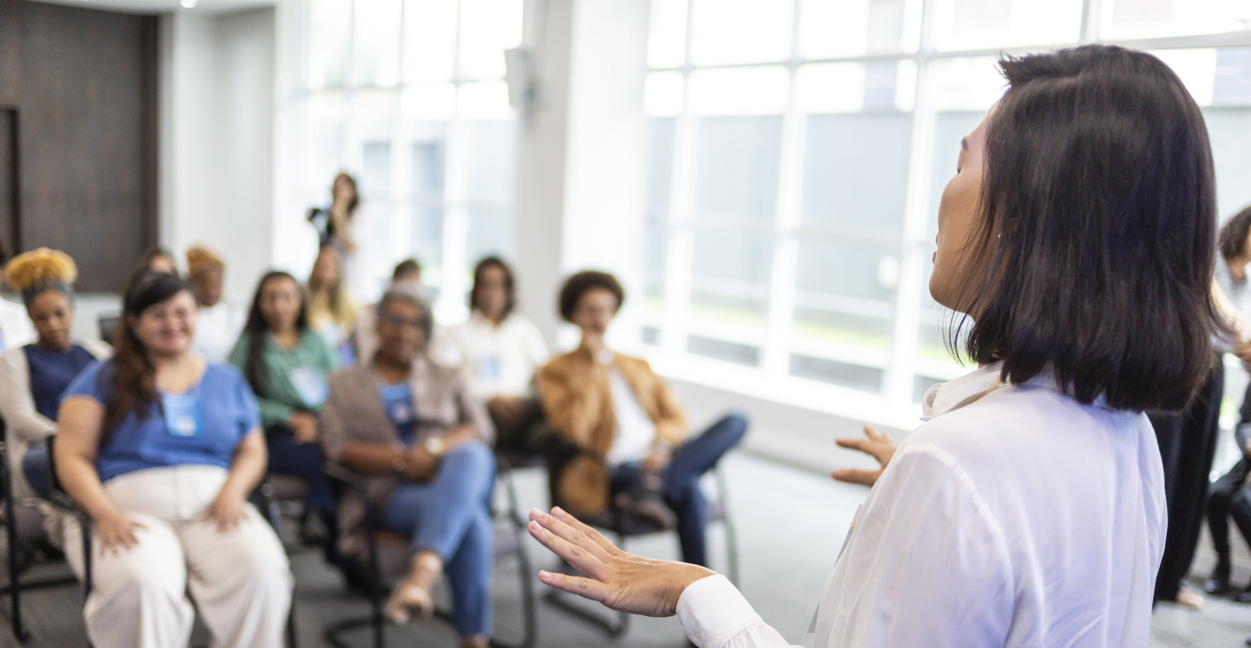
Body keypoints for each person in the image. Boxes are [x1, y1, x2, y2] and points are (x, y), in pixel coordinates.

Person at [526, 45, 1220, 647]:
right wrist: (935, 504)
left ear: (1027, 212)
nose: (941, 195)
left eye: (961, 163)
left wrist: (696, 590)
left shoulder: (958, 463)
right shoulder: (1125, 436)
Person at [54, 271, 291, 648]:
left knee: (263, 572)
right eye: (158, 314)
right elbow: (71, 455)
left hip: (215, 507)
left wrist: (234, 490)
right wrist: (104, 514)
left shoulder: (226, 378)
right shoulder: (102, 378)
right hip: (130, 512)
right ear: (134, 322)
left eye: (182, 312)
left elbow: (251, 449)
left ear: (197, 314)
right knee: (143, 585)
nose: (173, 324)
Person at [320, 290, 495, 648]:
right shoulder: (343, 383)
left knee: (473, 455)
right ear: (378, 326)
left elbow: (481, 428)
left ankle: (422, 573)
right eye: (395, 321)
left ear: (425, 331)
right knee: (472, 519)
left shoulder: (447, 374)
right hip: (385, 493)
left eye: (415, 323)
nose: (405, 331)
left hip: (448, 478)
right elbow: (336, 447)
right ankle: (473, 639)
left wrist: (433, 451)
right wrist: (400, 460)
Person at [537, 270, 747, 567]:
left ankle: (658, 484)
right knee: (690, 492)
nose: (600, 319)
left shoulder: (634, 363)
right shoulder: (555, 370)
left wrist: (661, 447)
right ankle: (700, 585)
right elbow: (575, 430)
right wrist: (590, 365)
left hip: (661, 457)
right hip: (616, 468)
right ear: (573, 314)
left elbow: (675, 415)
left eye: (607, 310)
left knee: (736, 421)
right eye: (591, 310)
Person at [0, 248, 110, 538]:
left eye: (59, 314)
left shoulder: (99, 353)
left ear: (72, 309)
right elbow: (21, 418)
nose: (53, 325)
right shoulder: (14, 360)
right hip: (43, 450)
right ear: (30, 319)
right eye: (41, 318)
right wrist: (71, 439)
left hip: (99, 443)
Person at [229, 271, 339, 546]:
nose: (280, 306)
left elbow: (339, 389)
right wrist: (288, 418)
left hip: (321, 427)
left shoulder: (315, 342)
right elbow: (234, 399)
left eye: (287, 298)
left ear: (300, 301)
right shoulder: (249, 345)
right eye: (271, 298)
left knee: (341, 452)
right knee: (321, 457)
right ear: (259, 303)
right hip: (274, 432)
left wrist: (320, 424)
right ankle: (319, 516)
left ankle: (336, 529)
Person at [433, 257, 549, 453]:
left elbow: (545, 375)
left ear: (509, 291)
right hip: (479, 411)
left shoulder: (525, 331)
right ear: (475, 290)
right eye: (486, 285)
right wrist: (489, 399)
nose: (492, 293)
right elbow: (443, 382)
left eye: (498, 286)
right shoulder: (456, 333)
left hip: (522, 412)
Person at [1204, 205, 1251, 599]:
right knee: (1199, 483)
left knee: (1198, 466)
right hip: (1192, 362)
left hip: (1218, 367)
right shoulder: (1210, 262)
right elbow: (1223, 321)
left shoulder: (1246, 283)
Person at [355, 258, 423, 364]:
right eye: (396, 321)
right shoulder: (367, 315)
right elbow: (365, 354)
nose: (405, 332)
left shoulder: (423, 319)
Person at [186, 246, 246, 363]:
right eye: (203, 283)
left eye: (216, 283)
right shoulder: (186, 316)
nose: (210, 291)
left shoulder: (236, 314)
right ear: (192, 283)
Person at [306, 243, 358, 367]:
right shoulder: (304, 297)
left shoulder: (348, 300)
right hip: (312, 356)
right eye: (322, 265)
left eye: (330, 267)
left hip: (340, 356)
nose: (325, 271)